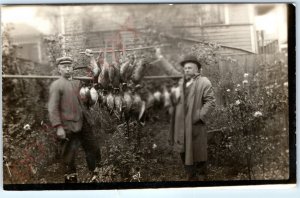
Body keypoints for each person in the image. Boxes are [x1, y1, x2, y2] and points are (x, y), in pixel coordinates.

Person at [155, 50, 216, 181]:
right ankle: (190, 177)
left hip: (195, 125)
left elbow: (210, 102)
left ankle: (202, 178)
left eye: (190, 67)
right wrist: (160, 57)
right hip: (180, 124)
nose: (187, 70)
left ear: (197, 69)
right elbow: (170, 71)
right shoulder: (181, 80)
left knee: (198, 151)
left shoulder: (204, 82)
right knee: (183, 149)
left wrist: (199, 116)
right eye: (185, 68)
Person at [48, 56, 101, 183]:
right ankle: (71, 181)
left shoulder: (78, 82)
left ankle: (95, 176)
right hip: (67, 126)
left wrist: (92, 59)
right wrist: (58, 126)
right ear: (59, 69)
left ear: (72, 68)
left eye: (69, 66)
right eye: (64, 67)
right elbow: (52, 108)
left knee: (93, 148)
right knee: (69, 154)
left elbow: (94, 80)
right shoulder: (57, 85)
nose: (67, 69)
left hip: (83, 122)